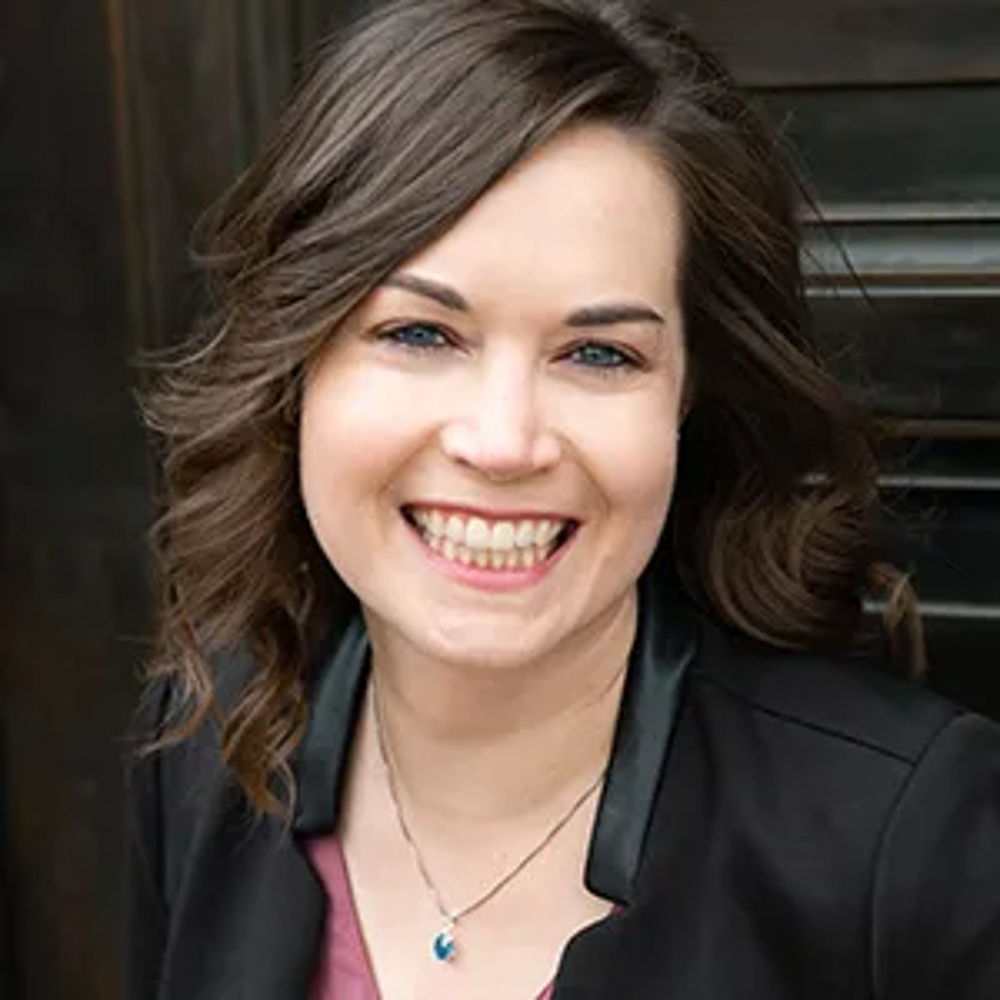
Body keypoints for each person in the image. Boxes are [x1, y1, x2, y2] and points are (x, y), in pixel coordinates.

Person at [127, 1, 1000, 997]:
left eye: (599, 354)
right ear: (295, 365)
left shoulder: (912, 841)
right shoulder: (206, 735)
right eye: (419, 334)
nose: (503, 442)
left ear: (689, 396)